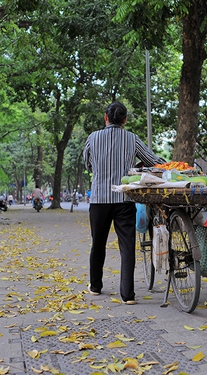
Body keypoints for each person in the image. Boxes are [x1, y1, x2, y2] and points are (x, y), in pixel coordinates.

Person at [83, 101, 165, 305]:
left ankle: (95, 286)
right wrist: (167, 164)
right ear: (125, 120)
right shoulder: (132, 139)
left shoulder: (93, 137)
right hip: (124, 198)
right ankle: (128, 295)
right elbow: (151, 160)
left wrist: (101, 172)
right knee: (127, 246)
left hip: (99, 199)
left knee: (98, 243)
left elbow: (88, 164)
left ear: (106, 117)